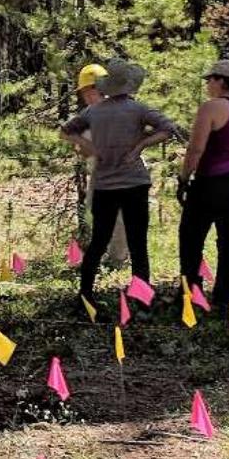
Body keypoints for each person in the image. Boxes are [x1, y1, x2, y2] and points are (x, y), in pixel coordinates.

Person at [59, 58, 183, 307]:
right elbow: (170, 128)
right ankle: (142, 300)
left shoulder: (93, 111)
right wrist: (140, 145)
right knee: (138, 243)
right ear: (128, 85)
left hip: (105, 185)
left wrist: (90, 147)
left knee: (98, 242)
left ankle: (85, 295)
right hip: (135, 183)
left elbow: (65, 130)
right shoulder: (138, 109)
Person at [177, 59, 229, 310]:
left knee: (190, 235)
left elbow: (195, 149)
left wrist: (183, 179)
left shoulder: (211, 107)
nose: (207, 84)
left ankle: (190, 294)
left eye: (209, 79)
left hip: (214, 180)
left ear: (220, 81)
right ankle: (225, 296)